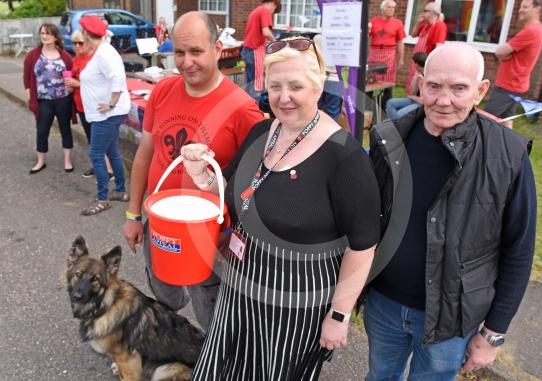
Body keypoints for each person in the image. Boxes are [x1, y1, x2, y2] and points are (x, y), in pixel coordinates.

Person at [182, 36, 381, 380]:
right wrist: (202, 174)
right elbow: (229, 192)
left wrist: (338, 315)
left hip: (295, 301)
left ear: (318, 87)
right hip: (240, 280)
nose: (283, 97)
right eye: (275, 86)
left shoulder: (344, 156)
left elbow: (362, 246)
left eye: (295, 86)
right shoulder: (263, 130)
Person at [366, 42, 536, 380]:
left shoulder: (508, 155)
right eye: (434, 86)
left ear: (480, 90)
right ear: (419, 83)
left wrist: (493, 333)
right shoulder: (389, 138)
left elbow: (519, 250)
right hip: (384, 304)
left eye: (459, 88)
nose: (444, 100)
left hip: (452, 319)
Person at [122, 12, 264, 330]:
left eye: (196, 51)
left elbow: (257, 181)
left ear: (217, 48)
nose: (187, 62)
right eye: (179, 52)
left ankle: (218, 358)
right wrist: (133, 215)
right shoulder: (162, 91)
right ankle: (173, 341)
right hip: (159, 221)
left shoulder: (242, 109)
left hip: (209, 233)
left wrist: (237, 232)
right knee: (164, 293)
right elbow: (146, 154)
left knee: (211, 309)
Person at [78, 15, 130, 216]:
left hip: (106, 115)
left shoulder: (104, 53)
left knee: (96, 154)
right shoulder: (102, 51)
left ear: (85, 32)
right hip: (105, 114)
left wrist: (111, 103)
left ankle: (103, 198)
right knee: (112, 152)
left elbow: (117, 77)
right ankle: (120, 191)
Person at [23, 23, 74, 174]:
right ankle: (40, 161)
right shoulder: (33, 55)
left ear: (55, 37)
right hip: (43, 100)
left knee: (65, 130)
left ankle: (67, 161)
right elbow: (26, 77)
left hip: (63, 99)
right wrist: (29, 96)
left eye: (48, 34)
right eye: (42, 33)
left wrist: (71, 85)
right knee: (42, 131)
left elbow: (73, 75)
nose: (44, 36)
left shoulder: (65, 56)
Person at [485, 0, 542, 128]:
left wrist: (504, 55)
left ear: (537, 8)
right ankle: (510, 147)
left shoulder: (530, 31)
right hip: (517, 85)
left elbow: (499, 52)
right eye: (521, 6)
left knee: (484, 121)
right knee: (507, 121)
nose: (520, 10)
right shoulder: (536, 29)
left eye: (525, 7)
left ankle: (472, 146)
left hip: (509, 85)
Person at [64, 30, 114, 179]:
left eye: (80, 42)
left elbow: (100, 84)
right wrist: (70, 85)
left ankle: (110, 170)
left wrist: (76, 83)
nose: (77, 46)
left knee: (101, 139)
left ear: (88, 41)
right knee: (91, 138)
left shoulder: (96, 58)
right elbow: (74, 77)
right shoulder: (77, 58)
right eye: (74, 43)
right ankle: (97, 165)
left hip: (95, 106)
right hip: (81, 106)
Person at [368, 0, 406, 110]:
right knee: (370, 80)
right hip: (375, 53)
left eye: (393, 8)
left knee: (388, 83)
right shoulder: (374, 21)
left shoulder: (398, 23)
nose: (392, 10)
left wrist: (401, 59)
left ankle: (385, 107)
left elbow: (400, 42)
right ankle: (367, 106)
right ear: (383, 9)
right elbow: (366, 36)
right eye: (389, 7)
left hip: (389, 53)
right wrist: (367, 28)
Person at [241, 0, 281, 100]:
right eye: (274, 11)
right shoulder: (265, 11)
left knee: (250, 84)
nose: (272, 13)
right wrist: (276, 43)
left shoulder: (256, 11)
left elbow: (259, 34)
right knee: (257, 86)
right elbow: (266, 32)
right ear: (273, 3)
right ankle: (256, 112)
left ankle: (249, 110)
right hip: (255, 51)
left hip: (247, 50)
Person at [406, 1, 447, 92]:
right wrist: (417, 23)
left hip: (425, 63)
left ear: (433, 13)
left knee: (420, 85)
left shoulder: (440, 26)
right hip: (418, 60)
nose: (422, 13)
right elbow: (413, 35)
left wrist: (430, 65)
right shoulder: (425, 25)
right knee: (413, 82)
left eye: (425, 11)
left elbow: (438, 47)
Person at [386, 52, 427, 120]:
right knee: (390, 103)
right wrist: (415, 76)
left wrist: (412, 97)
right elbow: (411, 91)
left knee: (399, 114)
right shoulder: (419, 74)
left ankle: (395, 127)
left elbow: (423, 101)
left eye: (413, 63)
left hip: (422, 104)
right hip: (416, 100)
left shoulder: (427, 77)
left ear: (416, 64)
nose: (412, 65)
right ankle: (394, 125)